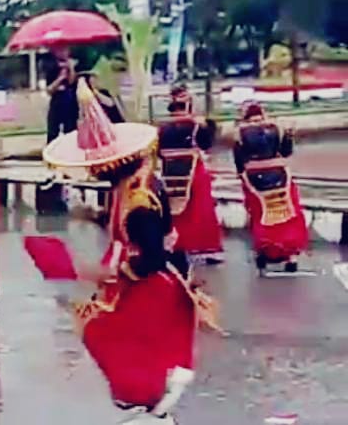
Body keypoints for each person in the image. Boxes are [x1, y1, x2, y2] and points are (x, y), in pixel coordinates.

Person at [41, 78, 220, 425]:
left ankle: (161, 401)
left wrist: (114, 273)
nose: (93, 173)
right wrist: (92, 217)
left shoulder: (138, 200)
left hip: (151, 283)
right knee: (125, 342)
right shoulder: (134, 183)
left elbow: (151, 255)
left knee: (109, 334)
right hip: (149, 275)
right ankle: (158, 402)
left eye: (96, 168)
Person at [233, 100, 308, 273]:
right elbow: (286, 152)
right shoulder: (277, 129)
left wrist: (243, 177)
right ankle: (291, 256)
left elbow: (239, 163)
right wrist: (289, 136)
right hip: (280, 174)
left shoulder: (240, 134)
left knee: (260, 213)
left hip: (254, 178)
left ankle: (264, 250)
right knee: (289, 213)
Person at [157, 84, 223, 263]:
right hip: (193, 171)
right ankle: (204, 247)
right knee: (200, 207)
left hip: (169, 171)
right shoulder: (195, 126)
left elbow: (158, 152)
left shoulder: (162, 129)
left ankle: (175, 244)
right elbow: (206, 144)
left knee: (175, 210)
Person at [44, 45, 78, 142]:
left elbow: (72, 82)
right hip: (57, 101)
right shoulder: (51, 65)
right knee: (53, 131)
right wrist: (60, 78)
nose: (63, 52)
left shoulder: (73, 64)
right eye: (60, 50)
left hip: (70, 101)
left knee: (71, 131)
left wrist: (71, 68)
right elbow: (49, 89)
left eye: (65, 49)